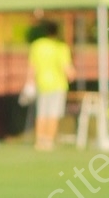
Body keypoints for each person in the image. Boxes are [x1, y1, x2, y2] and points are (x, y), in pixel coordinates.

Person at [23, 20, 75, 151]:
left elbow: (31, 67)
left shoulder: (37, 46)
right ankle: (48, 141)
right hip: (57, 85)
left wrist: (29, 82)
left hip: (42, 83)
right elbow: (66, 68)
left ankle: (40, 141)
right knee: (52, 114)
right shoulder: (60, 47)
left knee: (41, 114)